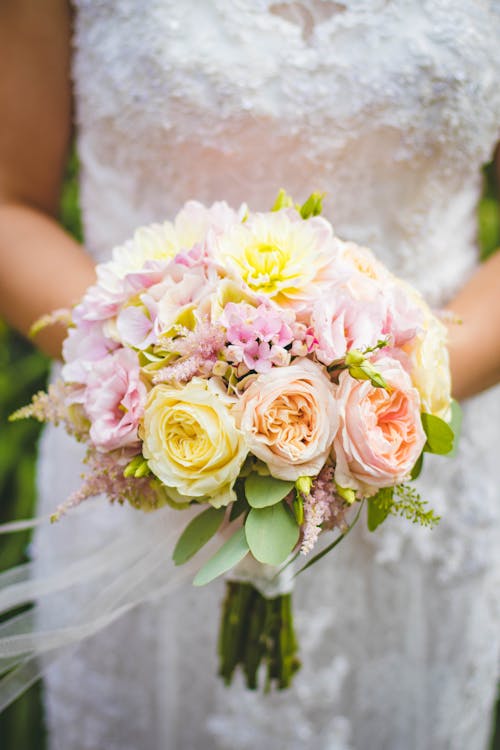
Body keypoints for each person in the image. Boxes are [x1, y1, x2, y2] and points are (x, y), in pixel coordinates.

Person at [1, 1, 500, 748]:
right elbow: (9, 205)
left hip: (418, 460)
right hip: (151, 455)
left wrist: (371, 396)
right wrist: (163, 381)